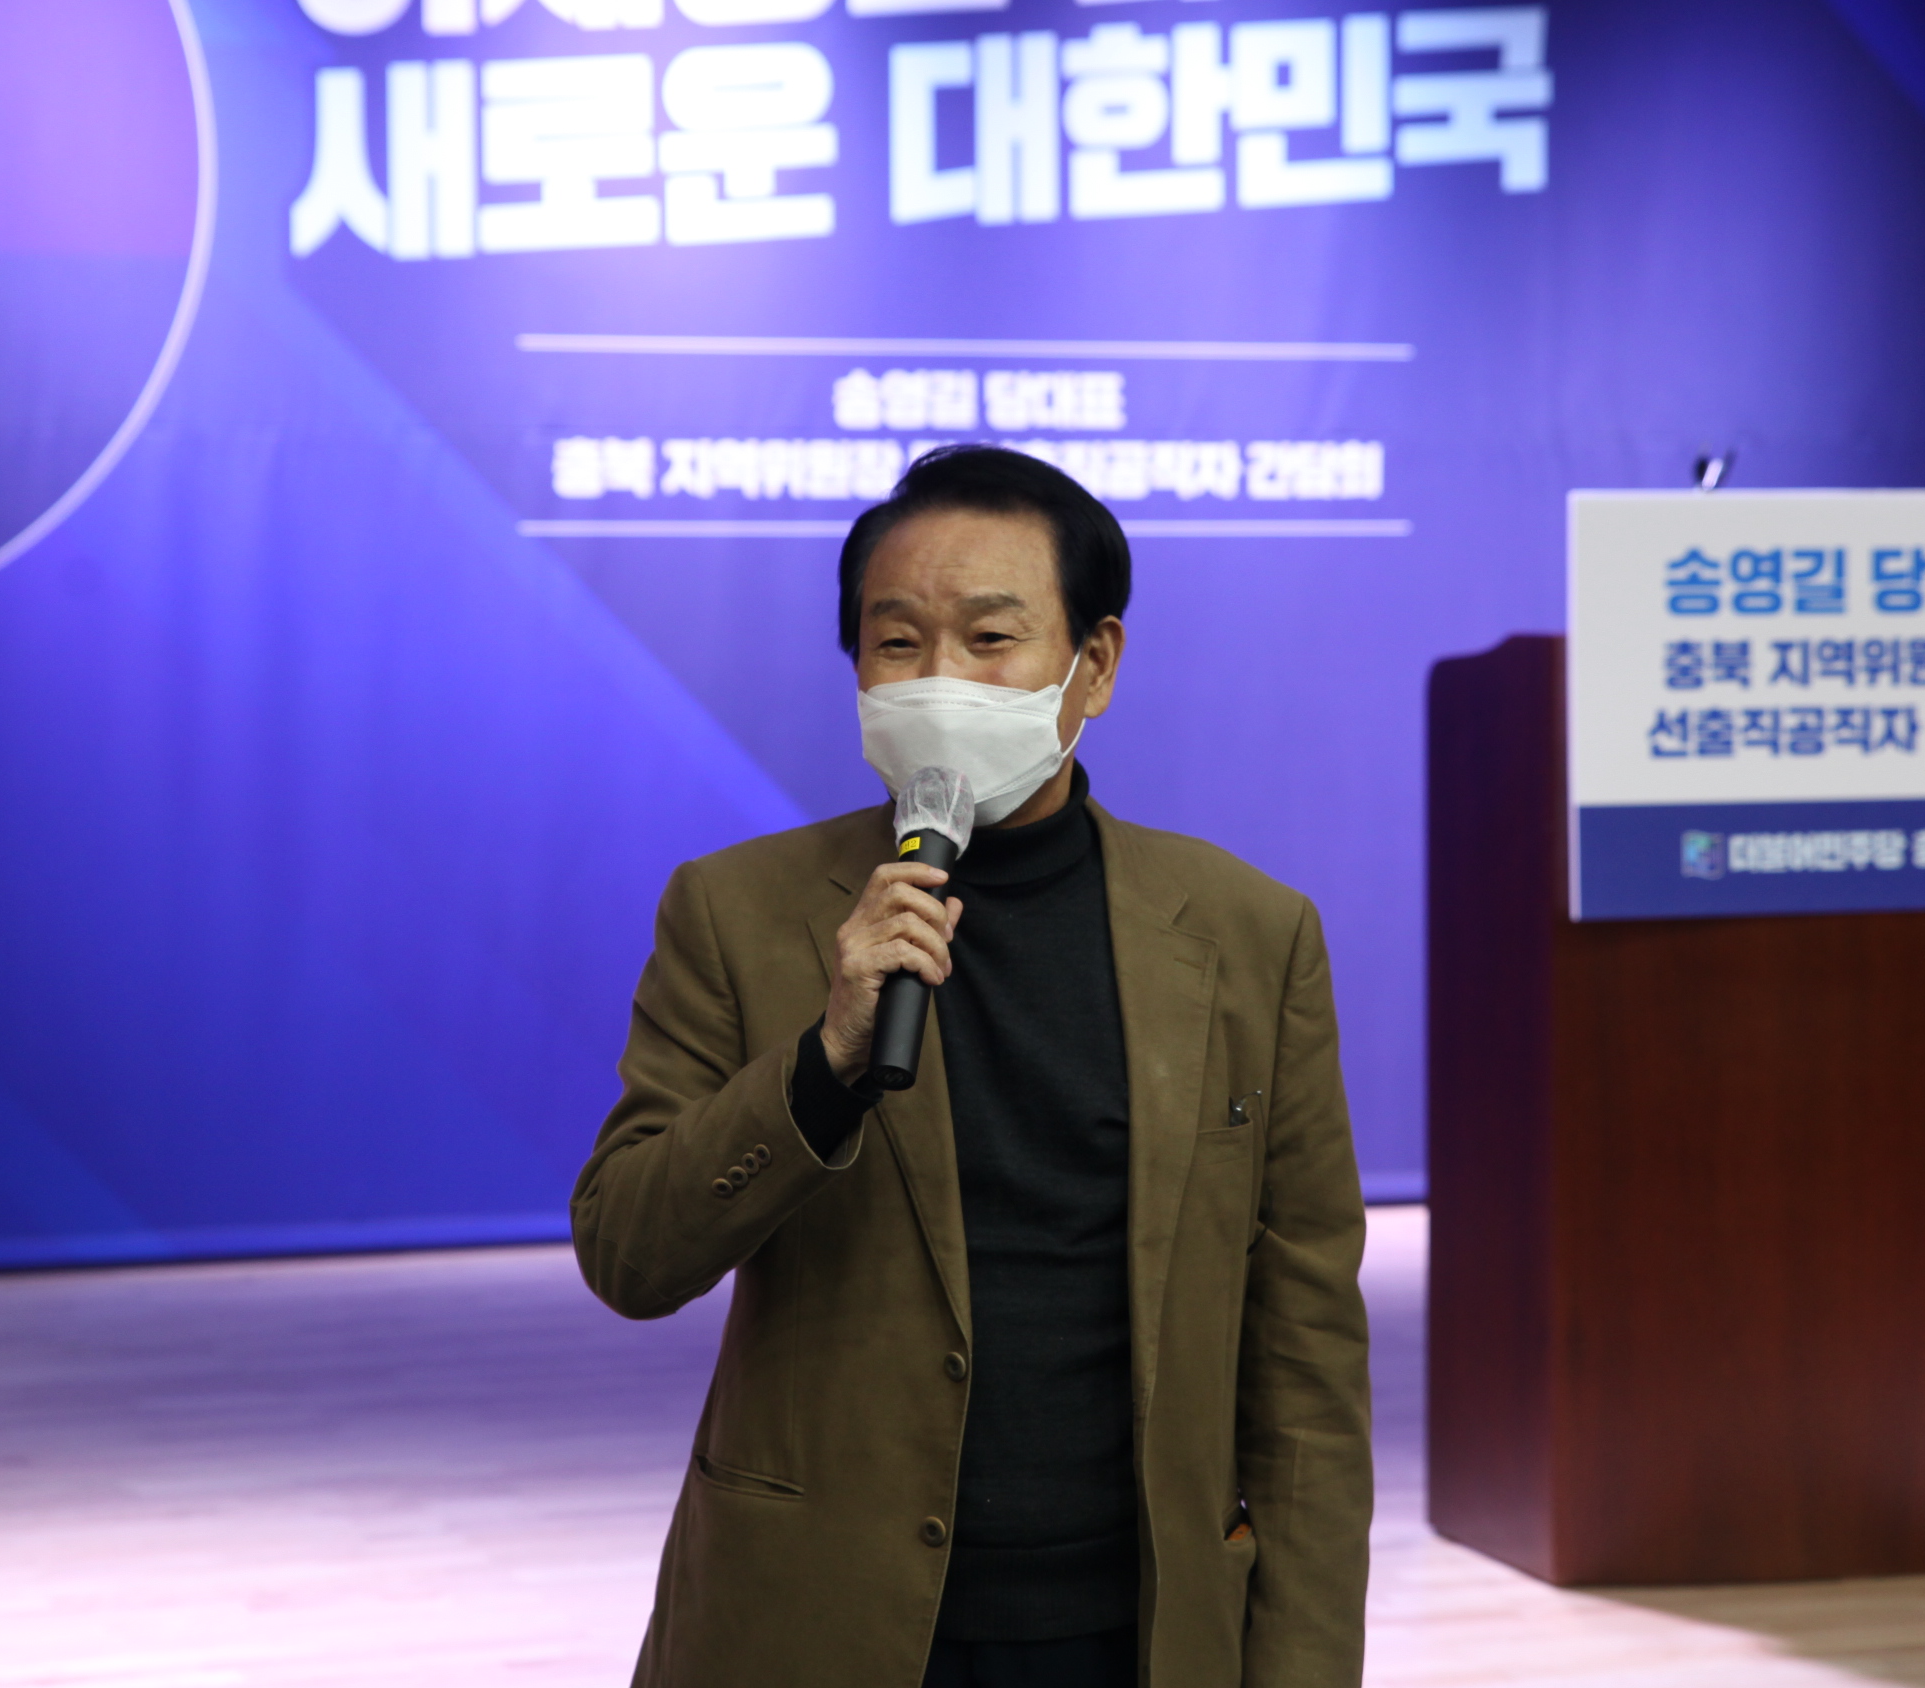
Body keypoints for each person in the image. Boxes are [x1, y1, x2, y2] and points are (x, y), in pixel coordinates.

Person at [574, 445, 1374, 1688]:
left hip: (1137, 1623)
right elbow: (629, 1252)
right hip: (819, 1620)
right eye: (897, 642)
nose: (941, 677)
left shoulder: (1250, 935)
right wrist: (823, 1065)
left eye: (991, 637)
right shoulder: (737, 910)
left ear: (1094, 664)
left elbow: (1306, 1358)